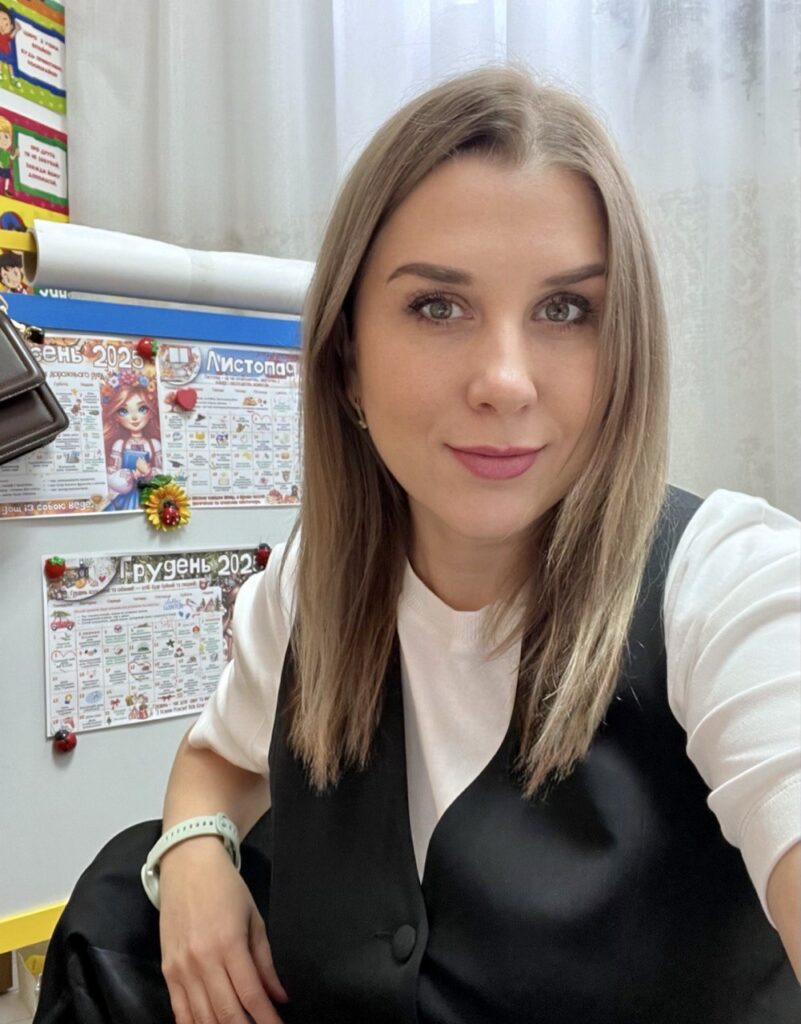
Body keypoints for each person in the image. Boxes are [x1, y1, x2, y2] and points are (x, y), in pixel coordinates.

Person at [34, 65, 800, 1024]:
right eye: (438, 306)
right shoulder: (313, 584)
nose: (504, 382)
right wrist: (191, 854)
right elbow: (216, 755)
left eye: (566, 310)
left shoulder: (726, 588)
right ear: (347, 359)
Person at [100, 364, 163, 511]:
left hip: (149, 495)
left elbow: (164, 473)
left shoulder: (154, 444)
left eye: (142, 409)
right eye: (123, 411)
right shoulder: (120, 444)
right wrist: (131, 476)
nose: (134, 417)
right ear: (116, 417)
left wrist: (148, 473)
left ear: (151, 412)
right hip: (126, 498)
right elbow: (111, 474)